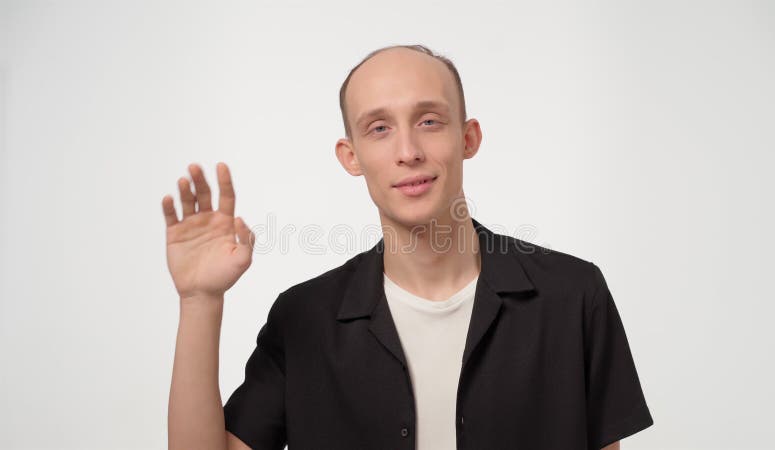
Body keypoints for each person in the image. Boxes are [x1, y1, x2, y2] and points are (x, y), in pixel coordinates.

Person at [164, 44, 653, 450]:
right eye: (379, 128)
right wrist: (199, 302)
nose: (407, 151)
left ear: (469, 137)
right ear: (351, 156)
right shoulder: (302, 318)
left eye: (429, 121)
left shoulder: (572, 295)